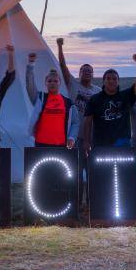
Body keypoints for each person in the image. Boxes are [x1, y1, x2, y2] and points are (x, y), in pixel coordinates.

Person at [56, 38, 101, 207]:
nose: (87, 73)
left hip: (92, 138)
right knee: (75, 172)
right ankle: (74, 204)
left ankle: (90, 204)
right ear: (79, 73)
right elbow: (62, 66)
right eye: (84, 70)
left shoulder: (97, 91)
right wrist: (60, 47)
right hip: (75, 138)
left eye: (89, 71)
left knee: (91, 172)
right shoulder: (73, 85)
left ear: (93, 74)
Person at [82, 54, 136, 152]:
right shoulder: (95, 99)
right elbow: (88, 122)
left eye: (114, 79)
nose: (111, 81)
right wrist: (86, 142)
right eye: (108, 79)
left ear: (118, 81)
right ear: (103, 82)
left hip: (122, 143)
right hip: (101, 144)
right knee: (101, 168)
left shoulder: (126, 96)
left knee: (124, 167)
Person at [25, 54, 79, 148]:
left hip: (61, 145)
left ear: (59, 83)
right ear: (45, 83)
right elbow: (30, 85)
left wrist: (72, 137)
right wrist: (31, 64)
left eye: (55, 81)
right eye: (49, 81)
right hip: (41, 144)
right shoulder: (40, 98)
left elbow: (75, 122)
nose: (52, 83)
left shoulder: (68, 102)